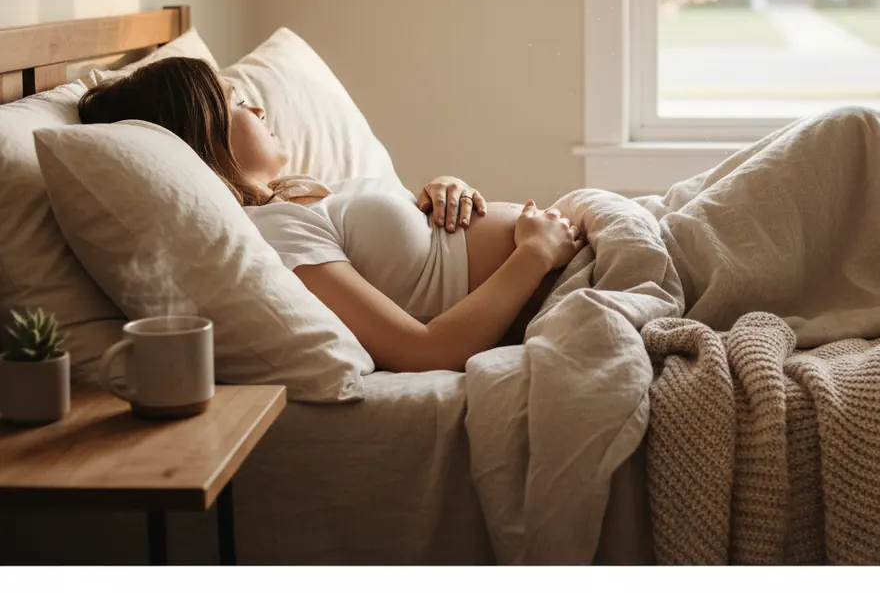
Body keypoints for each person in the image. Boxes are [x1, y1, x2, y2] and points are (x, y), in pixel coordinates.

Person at [78, 56, 586, 372]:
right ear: (202, 133)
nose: (258, 111)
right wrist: (535, 254)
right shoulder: (274, 234)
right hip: (561, 280)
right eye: (238, 103)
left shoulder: (295, 198)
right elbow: (425, 351)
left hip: (572, 254)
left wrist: (441, 191)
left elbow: (411, 251)